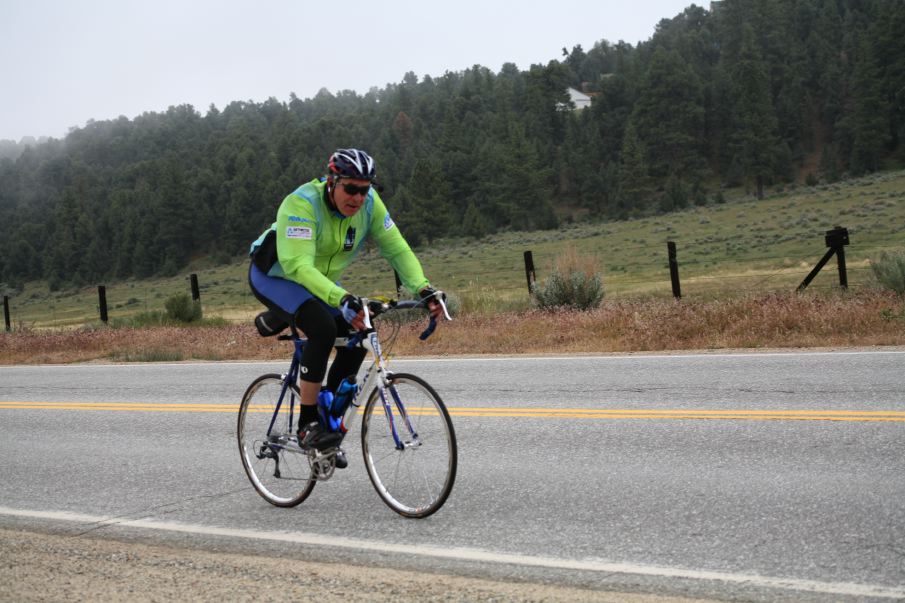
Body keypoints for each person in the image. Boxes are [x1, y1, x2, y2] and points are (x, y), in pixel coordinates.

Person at [248, 148, 444, 464]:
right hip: (277, 275)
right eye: (350, 188)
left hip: (320, 281)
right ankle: (307, 425)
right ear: (332, 182)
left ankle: (329, 423)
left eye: (364, 190)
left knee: (358, 335)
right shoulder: (301, 203)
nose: (357, 197)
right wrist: (340, 298)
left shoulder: (369, 207)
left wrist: (423, 288)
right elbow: (298, 266)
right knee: (322, 328)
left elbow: (397, 249)